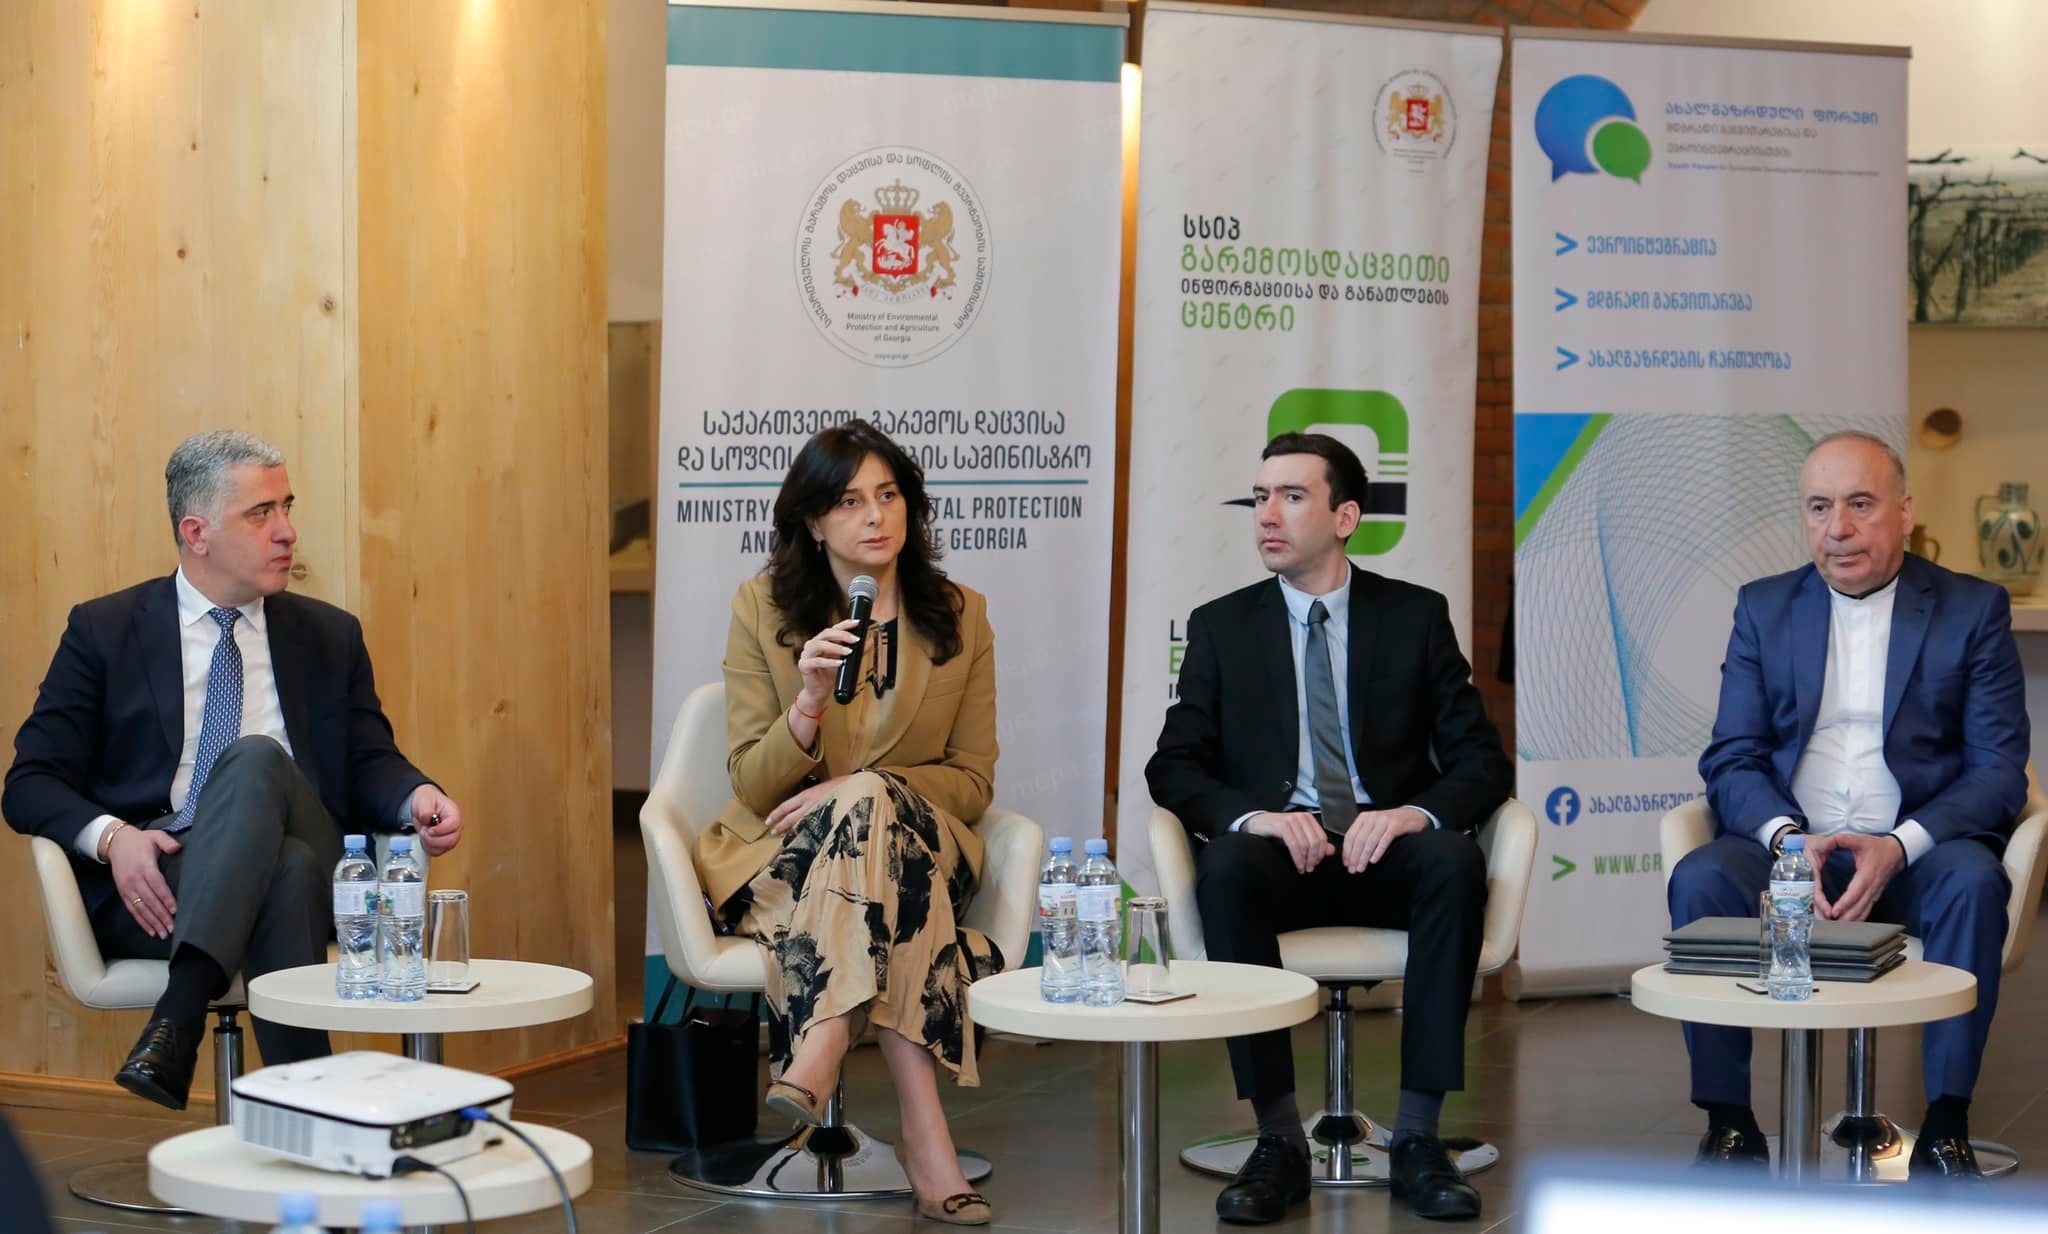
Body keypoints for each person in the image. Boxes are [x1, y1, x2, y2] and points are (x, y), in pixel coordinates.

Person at [5, 430, 464, 1111]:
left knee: (254, 758)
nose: (287, 532)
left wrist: (416, 795)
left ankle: (178, 1017)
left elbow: (368, 758)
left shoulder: (328, 635)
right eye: (261, 514)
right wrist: (113, 838)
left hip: (314, 851)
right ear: (196, 533)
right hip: (162, 883)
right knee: (285, 871)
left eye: (287, 507)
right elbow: (29, 783)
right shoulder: (105, 631)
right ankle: (311, 1116)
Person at [1147, 433, 1512, 1224]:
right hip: (1287, 861)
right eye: (1260, 497)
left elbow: (1483, 762)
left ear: (1345, 517)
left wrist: (1413, 814)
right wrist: (1258, 820)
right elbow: (1173, 767)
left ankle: (1419, 1138)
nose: (1266, 515)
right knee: (1227, 868)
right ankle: (1278, 1140)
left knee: (1451, 862)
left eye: (1291, 497)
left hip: (1387, 855)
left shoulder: (1415, 617)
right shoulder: (1222, 627)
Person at [1672, 430, 2030, 1179]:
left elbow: (1999, 770)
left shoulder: (1971, 609)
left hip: (1918, 854)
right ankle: (1729, 1123)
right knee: (1701, 877)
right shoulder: (1765, 608)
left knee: (1973, 881)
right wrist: (1786, 841)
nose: (1838, 528)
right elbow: (1731, 755)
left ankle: (1947, 1124)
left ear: (1904, 511)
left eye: (1860, 504)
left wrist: (1899, 845)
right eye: (1819, 507)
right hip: (1791, 855)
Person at [694, 418, 1001, 1227]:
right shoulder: (763, 609)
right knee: (891, 894)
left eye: (889, 495)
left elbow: (973, 782)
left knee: (871, 810)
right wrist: (805, 703)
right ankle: (927, 1140)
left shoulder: (961, 615)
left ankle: (821, 1040)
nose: (875, 516)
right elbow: (753, 784)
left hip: (922, 844)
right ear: (812, 522)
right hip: (789, 862)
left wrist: (867, 785)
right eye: (850, 501)